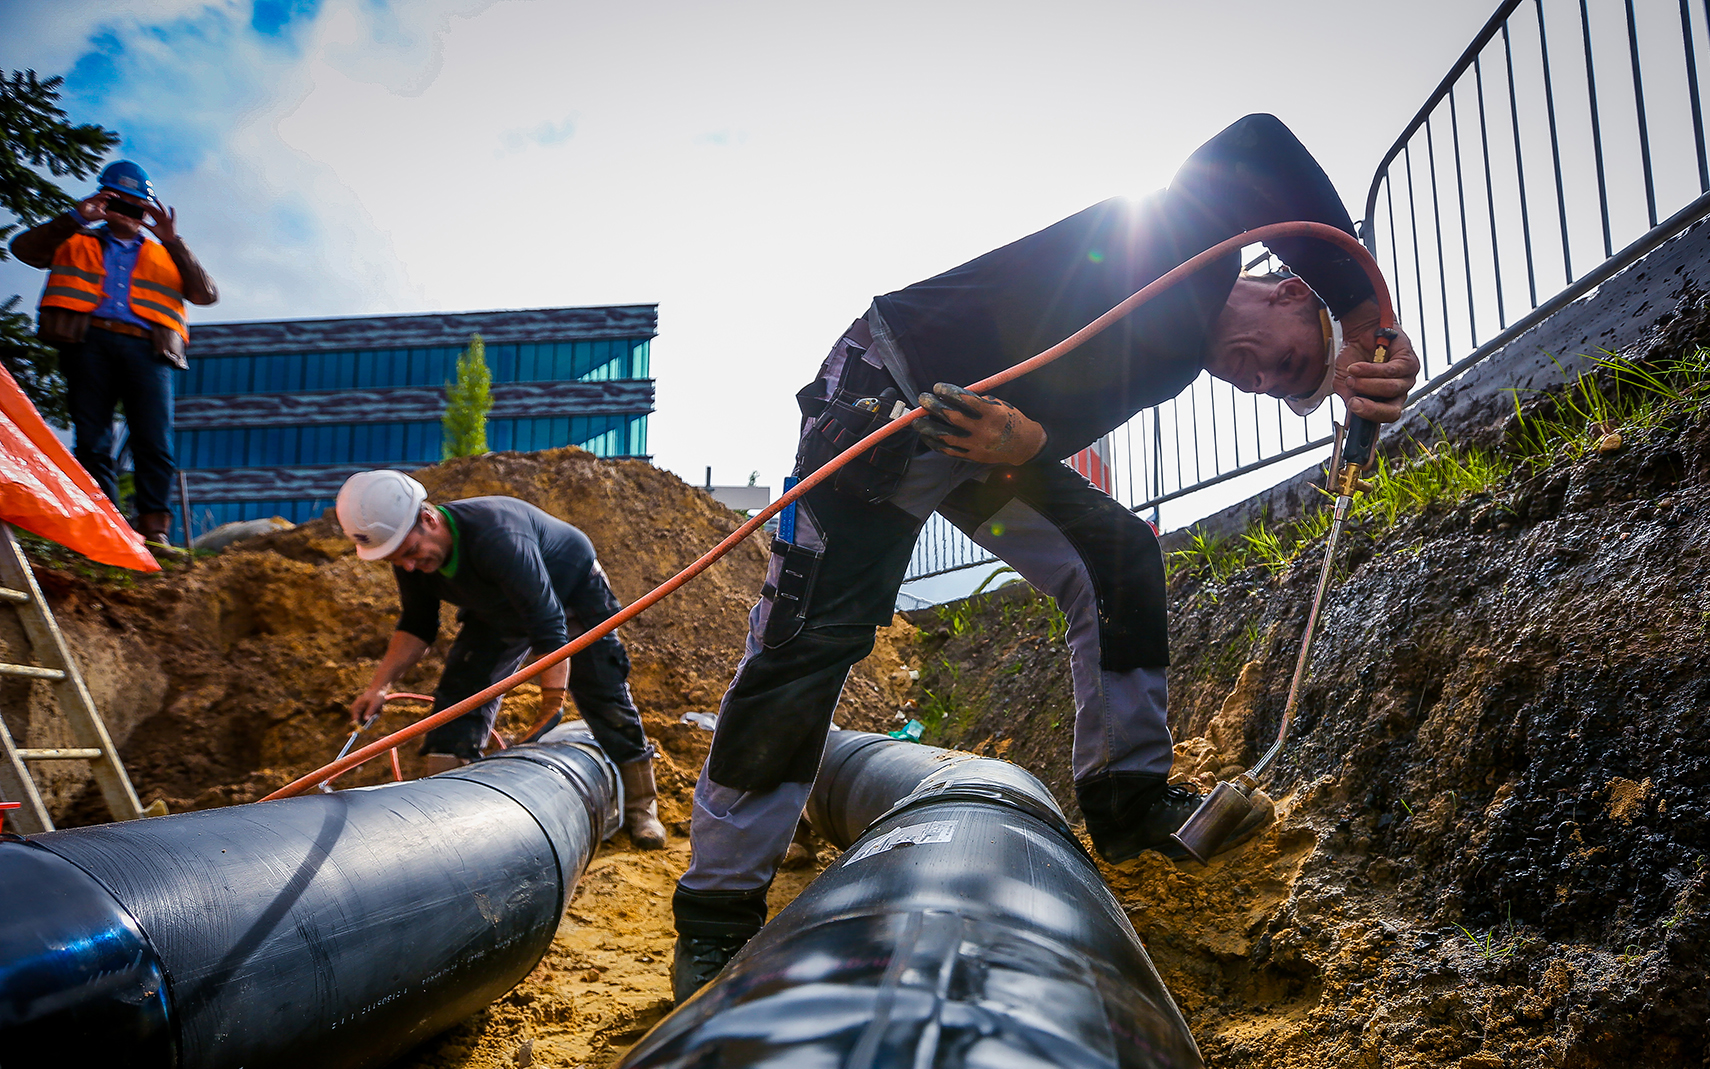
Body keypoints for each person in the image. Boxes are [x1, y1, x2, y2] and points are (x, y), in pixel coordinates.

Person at [671, 114, 1420, 1001]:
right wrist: (1365, 310)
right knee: (809, 637)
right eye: (1287, 364)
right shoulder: (1195, 246)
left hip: (982, 445)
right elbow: (1255, 145)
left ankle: (1130, 804)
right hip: (892, 397)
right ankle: (717, 915)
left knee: (1116, 555)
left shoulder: (1174, 358)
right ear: (1292, 291)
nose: (1258, 380)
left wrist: (1032, 441)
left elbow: (1056, 398)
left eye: (1274, 390)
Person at [336, 469, 667, 848]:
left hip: (572, 589)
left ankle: (642, 806)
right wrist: (379, 687)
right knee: (459, 698)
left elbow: (547, 623)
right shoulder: (410, 560)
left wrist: (551, 703)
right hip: (497, 605)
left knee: (602, 690)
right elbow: (417, 625)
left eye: (410, 552)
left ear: (428, 519)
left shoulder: (497, 536)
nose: (408, 566)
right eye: (396, 560)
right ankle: (443, 810)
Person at [9, 159, 218, 545]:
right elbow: (24, 249)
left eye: (137, 207)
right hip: (87, 343)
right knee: (93, 439)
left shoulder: (165, 253)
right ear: (103, 200)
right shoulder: (74, 239)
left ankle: (154, 529)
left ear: (148, 211)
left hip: (148, 350)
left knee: (153, 440)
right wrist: (77, 217)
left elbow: (205, 294)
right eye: (119, 202)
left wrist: (173, 240)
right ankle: (108, 525)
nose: (128, 212)